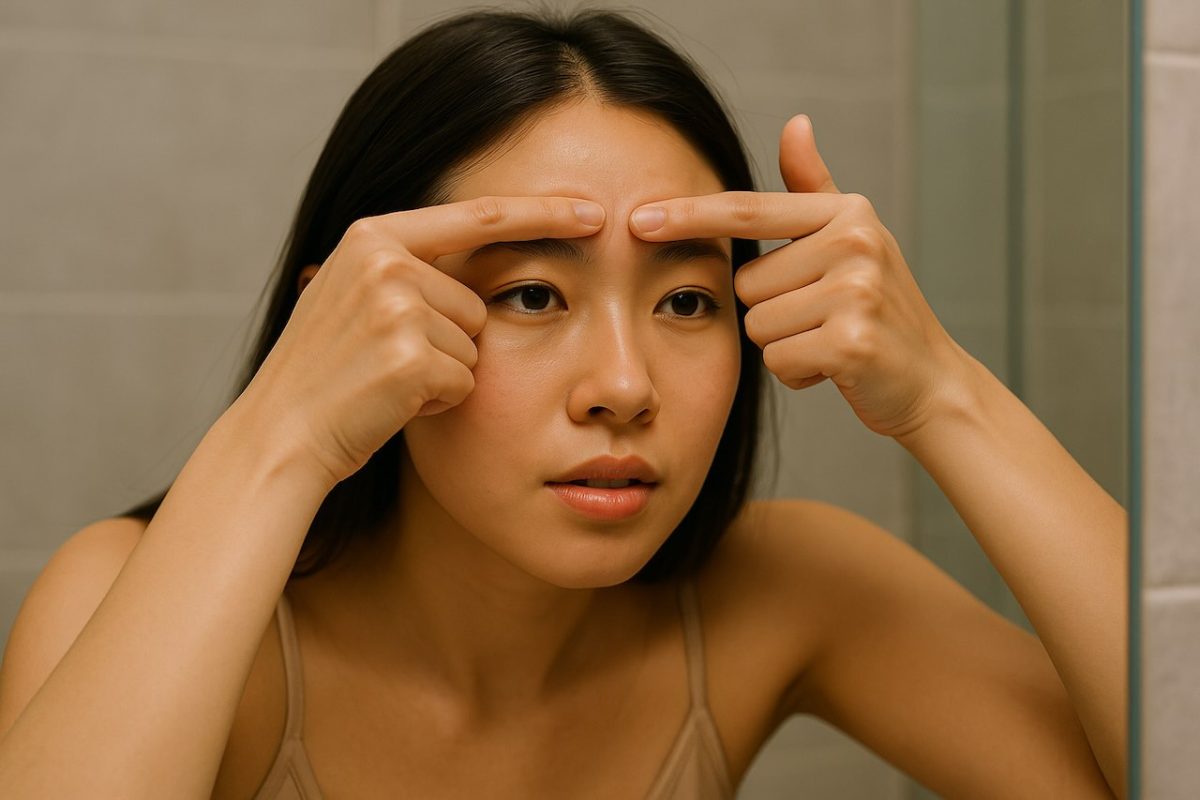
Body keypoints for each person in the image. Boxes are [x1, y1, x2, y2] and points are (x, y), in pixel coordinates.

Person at [0, 7, 1126, 799]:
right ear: (355, 326)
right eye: (534, 292)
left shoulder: (784, 586)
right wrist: (284, 427)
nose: (626, 388)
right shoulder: (124, 592)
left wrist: (947, 394)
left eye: (688, 301)